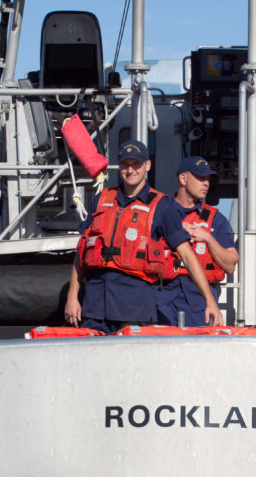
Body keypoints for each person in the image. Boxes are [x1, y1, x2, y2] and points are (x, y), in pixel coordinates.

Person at [64, 140, 222, 333]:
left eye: (136, 164)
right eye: (125, 164)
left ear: (147, 166)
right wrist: (72, 297)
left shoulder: (162, 207)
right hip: (94, 308)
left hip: (135, 309)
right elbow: (82, 252)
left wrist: (210, 301)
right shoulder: (102, 199)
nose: (130, 170)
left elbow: (188, 256)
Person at [157, 156, 239, 326]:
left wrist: (207, 238)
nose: (206, 183)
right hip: (161, 295)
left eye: (208, 179)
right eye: (200, 178)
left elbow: (230, 264)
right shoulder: (160, 212)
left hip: (199, 299)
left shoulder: (216, 220)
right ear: (183, 178)